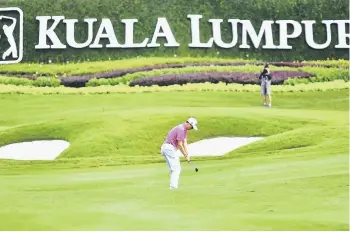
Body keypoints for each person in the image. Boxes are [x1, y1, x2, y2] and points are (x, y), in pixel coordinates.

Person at [160, 117, 198, 189]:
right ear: (189, 124)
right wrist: (184, 155)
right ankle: (173, 187)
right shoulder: (181, 129)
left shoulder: (184, 130)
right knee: (176, 169)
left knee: (173, 168)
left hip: (167, 148)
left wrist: (187, 154)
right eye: (191, 127)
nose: (191, 128)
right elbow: (180, 144)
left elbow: (184, 142)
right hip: (169, 148)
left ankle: (172, 186)